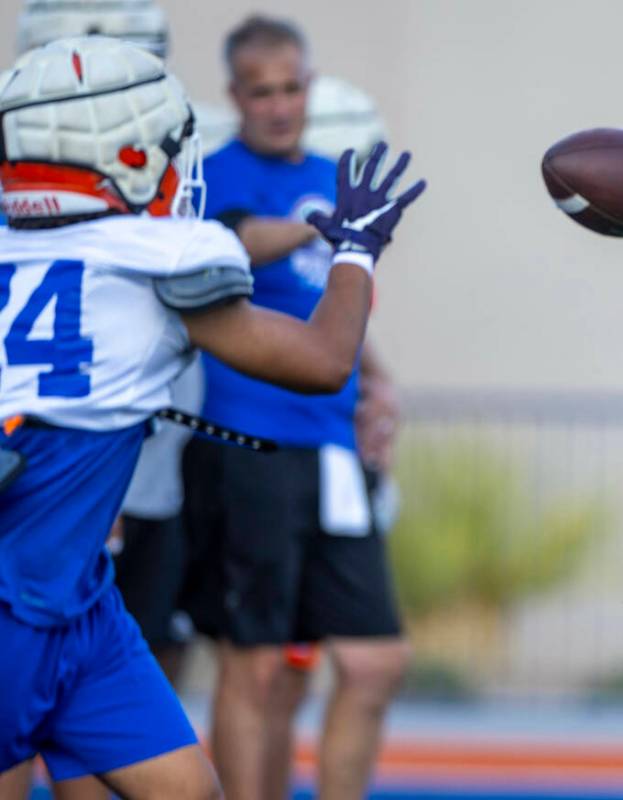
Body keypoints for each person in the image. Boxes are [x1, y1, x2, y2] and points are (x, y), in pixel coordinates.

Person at [0, 33, 424, 800]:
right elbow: (325, 360)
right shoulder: (155, 256)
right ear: (127, 156)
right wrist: (356, 250)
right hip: (18, 598)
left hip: (80, 601)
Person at [179, 15, 411, 800]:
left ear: (308, 87)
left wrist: (378, 379)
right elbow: (233, 243)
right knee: (258, 667)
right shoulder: (214, 175)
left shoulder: (328, 173)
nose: (279, 104)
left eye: (292, 87)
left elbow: (332, 304)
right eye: (262, 91)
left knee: (374, 660)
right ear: (236, 96)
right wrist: (325, 227)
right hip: (250, 445)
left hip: (334, 451)